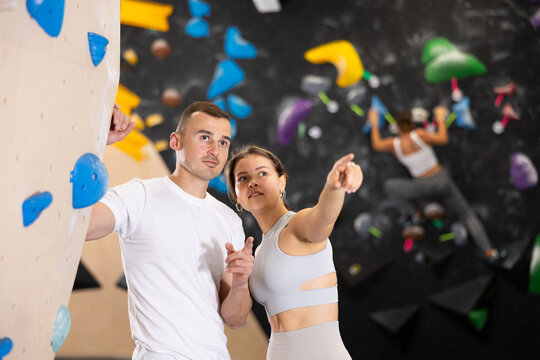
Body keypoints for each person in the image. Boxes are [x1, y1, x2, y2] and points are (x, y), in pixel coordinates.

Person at [86, 101, 255, 360]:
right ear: (176, 141)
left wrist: (242, 282)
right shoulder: (139, 196)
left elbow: (234, 318)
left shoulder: (229, 220)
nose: (215, 150)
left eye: (223, 142)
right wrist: (95, 142)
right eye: (204, 137)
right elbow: (82, 226)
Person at [225, 145, 363, 360]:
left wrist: (334, 186)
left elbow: (323, 218)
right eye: (242, 178)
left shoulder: (297, 225)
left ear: (282, 182)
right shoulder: (260, 250)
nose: (252, 182)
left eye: (262, 173)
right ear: (236, 197)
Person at [368, 106, 500, 260]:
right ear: (411, 124)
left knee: (390, 186)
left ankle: (416, 214)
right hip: (440, 181)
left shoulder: (395, 145)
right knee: (467, 215)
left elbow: (376, 144)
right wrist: (439, 117)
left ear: (397, 127)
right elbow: (443, 138)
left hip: (421, 186)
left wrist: (373, 122)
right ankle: (490, 252)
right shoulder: (419, 135)